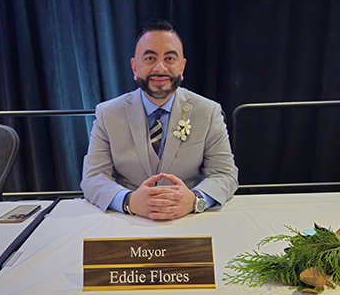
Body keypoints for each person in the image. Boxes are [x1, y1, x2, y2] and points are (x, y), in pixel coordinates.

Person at [81, 18, 238, 220]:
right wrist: (128, 201)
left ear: (182, 67)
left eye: (170, 59)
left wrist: (195, 200)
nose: (160, 68)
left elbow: (225, 174)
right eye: (150, 58)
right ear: (134, 67)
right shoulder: (107, 113)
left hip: (191, 220)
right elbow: (94, 177)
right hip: (126, 221)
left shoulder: (208, 111)